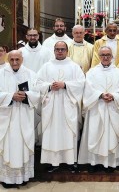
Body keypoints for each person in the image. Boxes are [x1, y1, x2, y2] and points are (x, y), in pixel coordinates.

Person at [37, 41, 85, 173]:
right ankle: (53, 162)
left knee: (68, 132)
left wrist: (65, 85)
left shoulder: (74, 67)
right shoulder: (46, 66)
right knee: (52, 133)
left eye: (62, 49)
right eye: (57, 49)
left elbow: (81, 83)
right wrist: (48, 86)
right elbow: (38, 83)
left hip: (68, 105)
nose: (59, 51)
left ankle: (70, 161)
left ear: (67, 51)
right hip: (51, 105)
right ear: (53, 50)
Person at [78, 46, 119, 173]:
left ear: (112, 56)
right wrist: (100, 95)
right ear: (99, 57)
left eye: (108, 55)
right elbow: (87, 89)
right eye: (103, 55)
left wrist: (114, 96)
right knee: (94, 134)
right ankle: (94, 162)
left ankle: (110, 163)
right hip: (96, 107)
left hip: (112, 108)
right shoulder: (92, 72)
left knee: (111, 135)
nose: (105, 57)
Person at [0, 50, 39, 188]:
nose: (15, 62)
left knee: (23, 145)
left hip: (24, 116)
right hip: (7, 118)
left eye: (17, 59)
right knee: (7, 146)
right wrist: (11, 96)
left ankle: (24, 176)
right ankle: (7, 178)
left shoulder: (30, 74)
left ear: (22, 59)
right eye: (12, 60)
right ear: (7, 59)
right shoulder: (1, 73)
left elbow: (37, 93)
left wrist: (26, 95)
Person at [19, 28, 53, 145]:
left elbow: (50, 69)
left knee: (42, 115)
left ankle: (41, 142)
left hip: (42, 87)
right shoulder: (21, 52)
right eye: (30, 35)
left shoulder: (47, 52)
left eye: (35, 35)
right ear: (27, 37)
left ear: (38, 36)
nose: (32, 37)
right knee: (28, 115)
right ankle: (29, 141)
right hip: (26, 88)